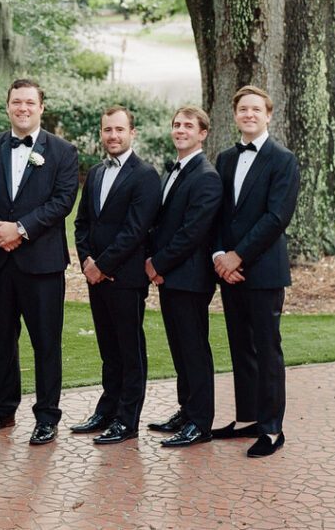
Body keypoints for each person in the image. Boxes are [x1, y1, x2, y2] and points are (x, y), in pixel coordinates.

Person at [0, 79, 79, 446]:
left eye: (30, 102)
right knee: (1, 339)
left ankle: (47, 416)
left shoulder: (63, 151)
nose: (23, 108)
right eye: (17, 102)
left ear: (41, 107)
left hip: (42, 264)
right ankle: (2, 409)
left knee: (46, 342)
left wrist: (21, 228)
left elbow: (63, 201)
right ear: (7, 106)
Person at [211, 85, 300, 458]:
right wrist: (219, 255)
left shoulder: (283, 159)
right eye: (242, 109)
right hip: (229, 272)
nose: (249, 115)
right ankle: (248, 417)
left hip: (262, 271)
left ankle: (272, 428)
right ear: (235, 115)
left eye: (255, 109)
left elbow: (276, 217)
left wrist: (238, 256)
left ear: (268, 114)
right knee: (240, 348)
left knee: (267, 350)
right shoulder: (225, 158)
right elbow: (216, 211)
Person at [71, 105, 160, 445]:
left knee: (129, 349)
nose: (113, 136)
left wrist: (103, 266)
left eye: (119, 130)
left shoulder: (145, 175)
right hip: (97, 277)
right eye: (107, 130)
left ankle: (127, 418)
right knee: (108, 348)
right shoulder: (94, 173)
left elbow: (135, 231)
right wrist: (86, 262)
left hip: (125, 278)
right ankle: (106, 409)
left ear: (132, 133)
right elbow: (81, 224)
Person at [144, 105, 222, 448]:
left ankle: (200, 422)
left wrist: (157, 264)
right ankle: (185, 410)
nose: (180, 130)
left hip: (189, 278)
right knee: (179, 346)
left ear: (202, 133)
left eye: (188, 125)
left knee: (193, 349)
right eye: (176, 124)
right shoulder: (173, 170)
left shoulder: (205, 176)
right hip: (171, 277)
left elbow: (192, 233)